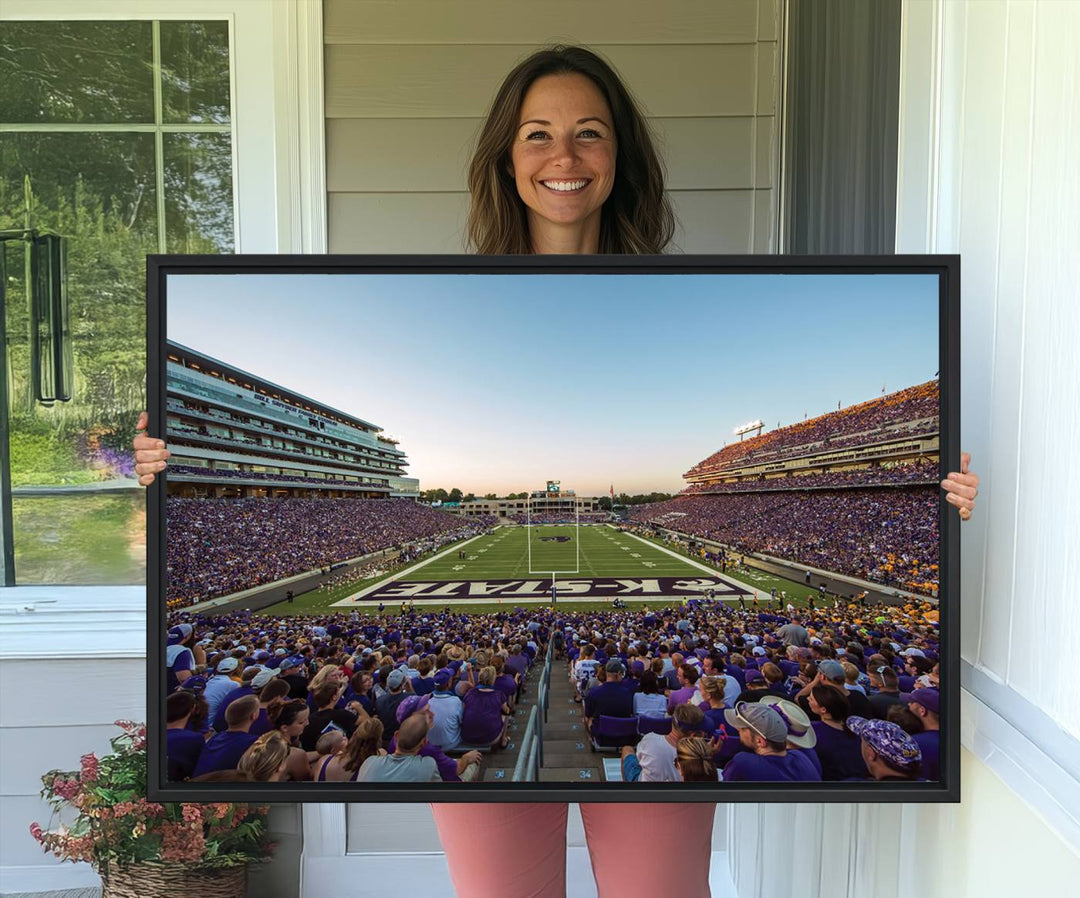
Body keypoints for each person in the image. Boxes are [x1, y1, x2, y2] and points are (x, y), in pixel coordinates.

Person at [135, 42, 979, 898]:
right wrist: (160, 474)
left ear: (622, 157)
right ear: (506, 157)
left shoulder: (682, 286)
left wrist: (942, 498)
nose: (564, 157)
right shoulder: (447, 285)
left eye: (590, 133)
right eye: (537, 134)